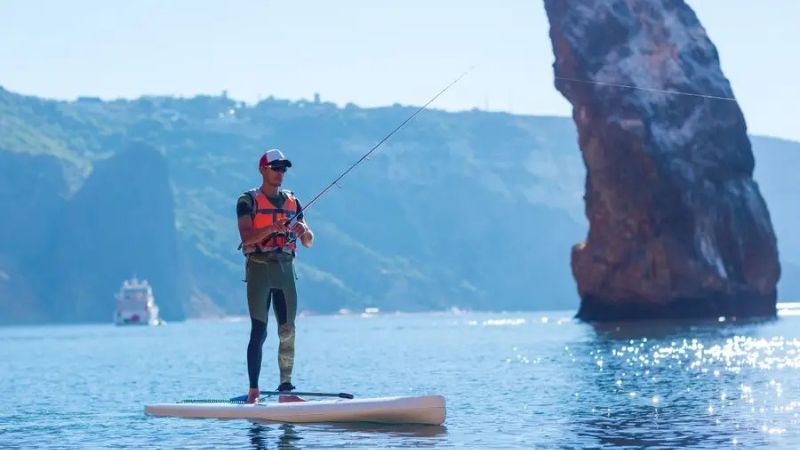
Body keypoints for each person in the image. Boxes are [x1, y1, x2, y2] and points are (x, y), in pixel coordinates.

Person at [236, 149, 314, 404]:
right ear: (263, 170)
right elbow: (247, 238)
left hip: (285, 269)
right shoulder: (247, 201)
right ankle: (253, 390)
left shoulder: (293, 201)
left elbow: (309, 242)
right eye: (275, 168)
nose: (280, 172)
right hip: (259, 268)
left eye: (283, 169)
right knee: (259, 332)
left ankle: (285, 390)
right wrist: (273, 227)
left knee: (288, 330)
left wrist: (303, 231)